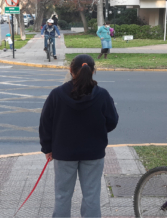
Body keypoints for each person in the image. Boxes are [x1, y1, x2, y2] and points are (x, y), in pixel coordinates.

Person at [39, 54, 119, 218]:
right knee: (92, 195)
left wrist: (47, 148)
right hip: (93, 152)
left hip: (63, 153)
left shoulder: (57, 94)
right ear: (93, 71)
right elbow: (112, 121)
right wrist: (98, 132)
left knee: (62, 195)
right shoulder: (102, 95)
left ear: (70, 70)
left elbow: (45, 123)